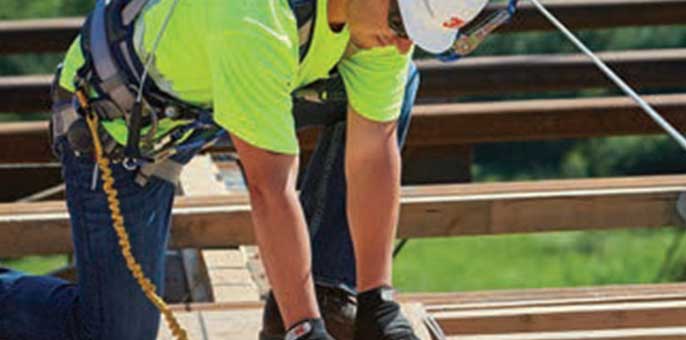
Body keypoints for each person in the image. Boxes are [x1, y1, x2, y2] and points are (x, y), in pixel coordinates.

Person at [0, 0, 492, 339]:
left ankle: (327, 289)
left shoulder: (379, 26)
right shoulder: (256, 17)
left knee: (397, 84)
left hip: (209, 96)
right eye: (403, 24)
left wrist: (376, 299)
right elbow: (269, 187)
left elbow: (371, 153)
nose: (404, 42)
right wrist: (305, 330)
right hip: (123, 120)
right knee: (113, 332)